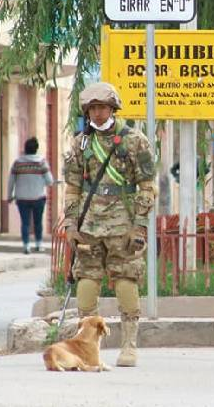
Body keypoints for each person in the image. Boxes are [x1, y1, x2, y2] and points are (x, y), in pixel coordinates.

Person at [62, 82, 157, 367]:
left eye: (102, 107)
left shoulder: (134, 141)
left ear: (113, 108)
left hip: (123, 223)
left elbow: (146, 185)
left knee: (126, 280)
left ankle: (129, 345)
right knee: (87, 282)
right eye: (93, 108)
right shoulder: (80, 143)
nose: (98, 113)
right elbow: (72, 188)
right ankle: (86, 346)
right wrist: (70, 224)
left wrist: (140, 225)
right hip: (89, 224)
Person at [8, 137, 54, 254]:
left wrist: (9, 195)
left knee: (25, 222)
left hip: (22, 198)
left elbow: (11, 181)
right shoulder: (41, 162)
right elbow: (50, 181)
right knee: (38, 222)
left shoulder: (17, 163)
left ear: (25, 149)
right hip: (38, 197)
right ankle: (38, 244)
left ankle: (26, 246)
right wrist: (40, 181)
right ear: (36, 149)